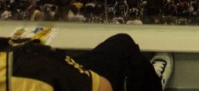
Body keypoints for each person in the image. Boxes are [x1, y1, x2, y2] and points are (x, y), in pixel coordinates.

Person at [1, 33, 173, 90]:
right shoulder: (25, 68)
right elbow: (102, 87)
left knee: (121, 44)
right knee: (123, 44)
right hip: (33, 71)